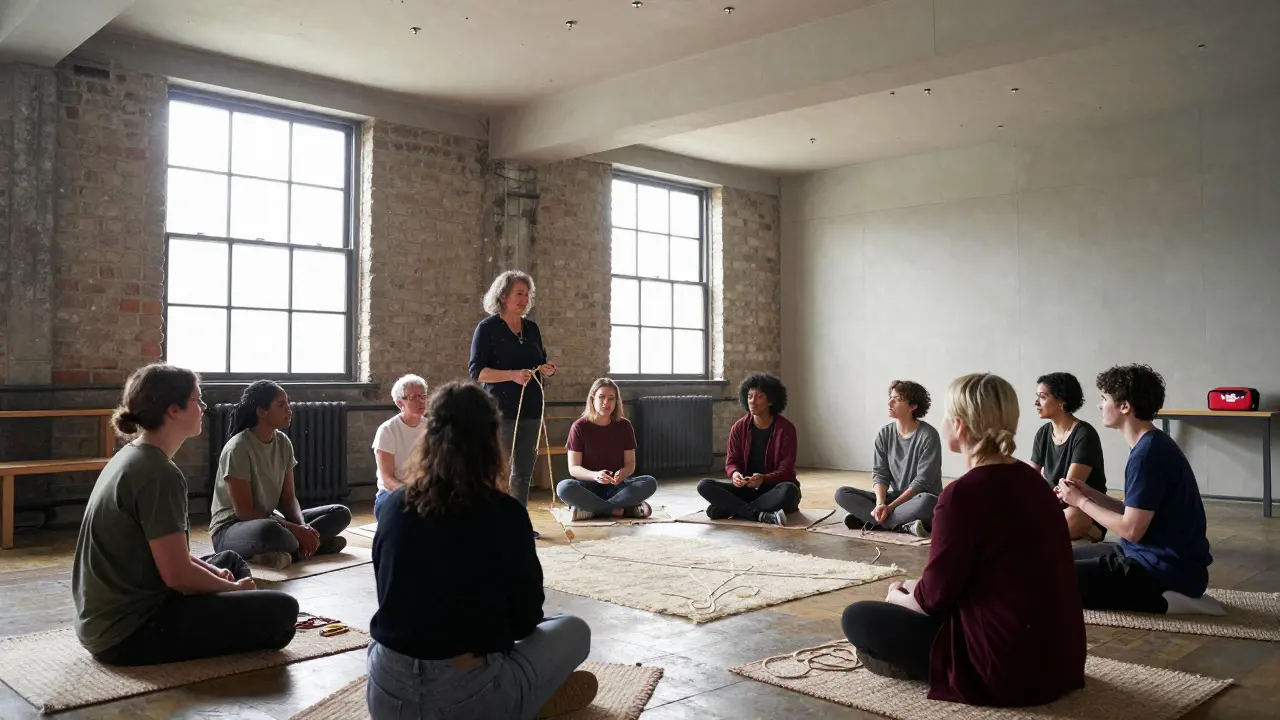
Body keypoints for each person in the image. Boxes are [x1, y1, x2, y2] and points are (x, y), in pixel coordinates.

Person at [841, 373, 1085, 707]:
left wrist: (896, 596)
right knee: (917, 587)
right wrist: (917, 587)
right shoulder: (1034, 482)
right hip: (1062, 660)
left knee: (858, 618)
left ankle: (925, 664)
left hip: (1004, 670)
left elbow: (931, 603)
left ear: (959, 426)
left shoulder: (962, 495)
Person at [367, 381, 597, 719]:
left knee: (383, 642)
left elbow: (388, 599)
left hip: (386, 697)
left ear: (429, 439)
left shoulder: (392, 506)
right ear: (492, 441)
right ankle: (529, 700)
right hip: (467, 698)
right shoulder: (504, 513)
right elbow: (526, 619)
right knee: (574, 629)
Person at [72, 364, 298, 666]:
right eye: (197, 400)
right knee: (282, 611)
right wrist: (230, 589)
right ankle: (237, 600)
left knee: (228, 561)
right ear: (173, 410)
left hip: (102, 622)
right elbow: (177, 576)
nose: (204, 407)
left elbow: (168, 556)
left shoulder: (132, 455)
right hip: (128, 631)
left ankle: (233, 597)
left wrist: (218, 578)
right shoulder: (159, 474)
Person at [1060, 364, 1219, 615]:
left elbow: (1131, 529)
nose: (1100, 406)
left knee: (1051, 581)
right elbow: (1133, 512)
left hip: (1162, 571)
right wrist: (1089, 492)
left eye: (1104, 399)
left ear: (1125, 406)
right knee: (1054, 559)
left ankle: (1166, 600)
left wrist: (1081, 502)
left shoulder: (1148, 454)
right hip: (1145, 556)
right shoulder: (1151, 445)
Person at [209, 380, 353, 570]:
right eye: (281, 404)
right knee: (270, 532)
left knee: (340, 513)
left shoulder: (283, 442)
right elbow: (245, 512)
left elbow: (288, 497)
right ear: (262, 412)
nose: (289, 409)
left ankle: (289, 552)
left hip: (272, 519)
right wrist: (295, 530)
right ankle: (312, 546)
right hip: (233, 528)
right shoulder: (238, 448)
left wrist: (303, 527)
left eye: (288, 403)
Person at [470, 270, 558, 538]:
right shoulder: (487, 328)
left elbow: (539, 361)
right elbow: (477, 372)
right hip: (499, 412)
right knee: (497, 472)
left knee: (523, 473)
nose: (524, 299)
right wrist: (511, 375)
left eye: (527, 294)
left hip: (530, 410)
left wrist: (546, 368)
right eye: (519, 293)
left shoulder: (532, 329)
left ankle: (518, 524)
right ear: (503, 296)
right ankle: (492, 524)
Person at [835, 380, 942, 538]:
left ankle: (873, 522)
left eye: (897, 399)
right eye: (890, 398)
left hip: (918, 498)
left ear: (913, 406)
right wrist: (880, 504)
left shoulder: (929, 436)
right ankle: (901, 525)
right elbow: (880, 474)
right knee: (841, 493)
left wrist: (890, 507)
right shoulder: (884, 434)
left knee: (928, 502)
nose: (890, 402)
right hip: (895, 497)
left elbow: (922, 482)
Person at [696, 373, 799, 526]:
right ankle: (759, 515)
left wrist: (764, 479)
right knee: (704, 485)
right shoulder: (739, 427)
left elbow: (786, 470)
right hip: (746, 489)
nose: (752, 401)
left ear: (771, 400)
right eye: (750, 396)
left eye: (759, 397)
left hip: (773, 488)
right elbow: (731, 462)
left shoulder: (786, 429)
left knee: (789, 490)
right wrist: (735, 474)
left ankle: (732, 508)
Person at [556, 378, 657, 521]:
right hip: (588, 487)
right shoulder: (579, 427)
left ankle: (592, 510)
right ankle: (621, 509)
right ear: (592, 399)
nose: (606, 403)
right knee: (564, 487)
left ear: (616, 402)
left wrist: (622, 474)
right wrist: (596, 475)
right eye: (601, 397)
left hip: (616, 487)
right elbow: (574, 469)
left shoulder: (624, 426)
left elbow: (630, 464)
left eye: (611, 398)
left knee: (649, 482)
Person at [1029, 372, 1108, 543]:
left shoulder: (1084, 434)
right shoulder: (1043, 433)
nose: (1036, 403)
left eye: (1042, 397)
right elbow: (1030, 479)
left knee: (1073, 516)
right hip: (1052, 508)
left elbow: (1068, 490)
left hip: (1080, 510)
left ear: (1061, 400)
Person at [373, 374, 428, 517]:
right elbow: (388, 479)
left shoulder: (431, 427)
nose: (421, 401)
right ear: (400, 403)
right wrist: (412, 494)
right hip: (393, 493)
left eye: (423, 396)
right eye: (413, 397)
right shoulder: (387, 430)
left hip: (424, 491)